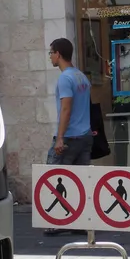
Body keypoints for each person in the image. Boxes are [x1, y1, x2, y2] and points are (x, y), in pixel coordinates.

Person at [43, 38, 92, 236]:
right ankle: (79, 222)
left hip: (70, 137)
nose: (50, 57)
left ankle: (55, 221)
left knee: (54, 177)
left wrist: (60, 137)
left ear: (59, 54)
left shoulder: (65, 78)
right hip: (85, 136)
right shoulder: (81, 76)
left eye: (51, 53)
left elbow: (66, 108)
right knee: (79, 181)